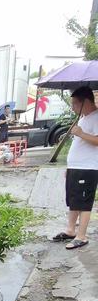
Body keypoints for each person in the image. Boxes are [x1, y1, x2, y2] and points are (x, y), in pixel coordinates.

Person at [52, 86, 98, 249]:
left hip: (88, 168)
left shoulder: (96, 117)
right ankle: (71, 230)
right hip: (76, 168)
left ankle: (82, 236)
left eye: (74, 103)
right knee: (73, 200)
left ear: (85, 101)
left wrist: (80, 133)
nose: (72, 107)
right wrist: (70, 166)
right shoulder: (84, 118)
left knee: (84, 202)